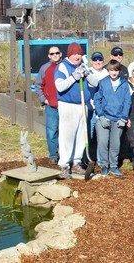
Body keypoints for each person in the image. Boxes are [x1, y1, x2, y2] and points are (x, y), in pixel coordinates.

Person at [54, 42, 98, 178]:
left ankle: (76, 161)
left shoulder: (83, 66)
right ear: (69, 55)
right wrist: (73, 77)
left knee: (81, 134)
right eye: (74, 54)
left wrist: (87, 74)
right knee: (67, 135)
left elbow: (95, 82)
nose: (77, 56)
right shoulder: (63, 66)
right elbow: (60, 86)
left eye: (79, 53)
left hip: (82, 105)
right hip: (68, 105)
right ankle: (64, 164)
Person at [94, 60, 131, 177]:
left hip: (118, 119)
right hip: (104, 117)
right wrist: (101, 115)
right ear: (108, 71)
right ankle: (104, 166)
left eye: (116, 70)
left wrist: (124, 118)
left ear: (119, 71)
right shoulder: (103, 83)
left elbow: (127, 102)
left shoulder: (124, 84)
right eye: (111, 70)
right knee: (103, 142)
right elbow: (97, 99)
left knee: (115, 144)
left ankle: (113, 166)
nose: (113, 73)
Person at [34, 45, 61, 164]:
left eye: (57, 53)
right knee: (51, 131)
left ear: (60, 54)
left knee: (65, 131)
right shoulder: (44, 68)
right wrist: (44, 100)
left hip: (66, 105)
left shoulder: (66, 66)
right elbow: (38, 86)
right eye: (52, 54)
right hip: (51, 106)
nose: (55, 55)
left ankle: (66, 154)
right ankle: (53, 155)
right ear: (48, 56)